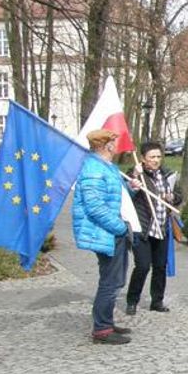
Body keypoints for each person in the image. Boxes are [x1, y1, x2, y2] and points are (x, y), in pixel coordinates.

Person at [73, 129, 135, 344]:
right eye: (114, 141)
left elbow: (113, 196)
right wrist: (119, 227)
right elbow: (95, 207)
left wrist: (131, 190)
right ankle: (101, 330)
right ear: (106, 145)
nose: (117, 145)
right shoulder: (93, 169)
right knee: (110, 282)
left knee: (114, 281)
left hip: (111, 232)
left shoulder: (105, 167)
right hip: (107, 233)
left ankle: (106, 322)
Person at [124, 140, 182, 316]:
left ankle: (157, 300)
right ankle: (132, 301)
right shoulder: (135, 174)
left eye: (158, 156)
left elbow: (179, 195)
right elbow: (128, 193)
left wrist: (172, 197)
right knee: (142, 266)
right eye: (152, 157)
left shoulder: (167, 174)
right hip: (143, 229)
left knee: (160, 266)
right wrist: (135, 178)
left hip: (162, 227)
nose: (156, 160)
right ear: (143, 158)